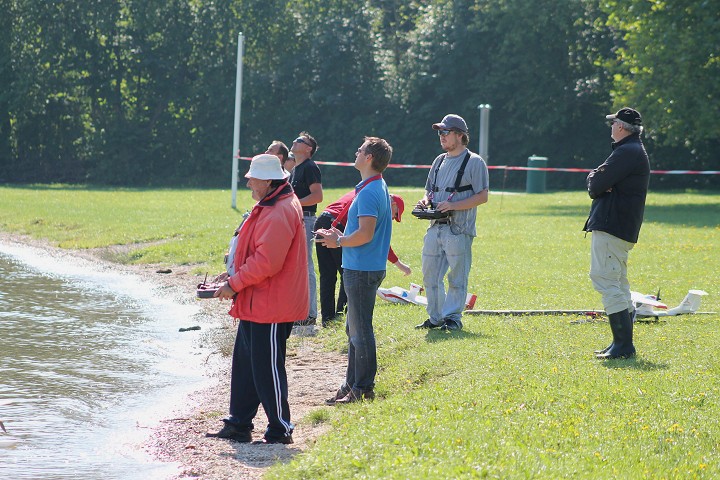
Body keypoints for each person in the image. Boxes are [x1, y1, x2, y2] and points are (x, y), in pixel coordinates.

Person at [207, 154, 308, 444]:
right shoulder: (269, 204)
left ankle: (280, 428)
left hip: (272, 304)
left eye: (252, 177)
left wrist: (234, 283)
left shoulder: (279, 210)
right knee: (246, 365)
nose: (247, 180)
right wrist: (229, 277)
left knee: (268, 369)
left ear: (267, 180)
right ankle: (239, 423)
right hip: (257, 300)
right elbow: (254, 253)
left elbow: (267, 262)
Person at [316, 137, 393, 404]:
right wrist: (340, 234)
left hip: (362, 269)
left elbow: (366, 234)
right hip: (362, 266)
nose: (356, 153)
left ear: (369, 158)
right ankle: (351, 384)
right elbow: (359, 232)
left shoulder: (371, 191)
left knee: (360, 331)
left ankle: (363, 388)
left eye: (360, 150)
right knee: (354, 330)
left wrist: (339, 241)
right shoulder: (372, 186)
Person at [584, 107, 650, 359]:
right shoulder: (631, 151)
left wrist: (597, 179)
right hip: (621, 226)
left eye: (613, 123)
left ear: (621, 127)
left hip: (613, 225)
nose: (611, 127)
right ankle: (620, 343)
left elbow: (595, 184)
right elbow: (599, 182)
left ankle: (623, 345)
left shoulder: (626, 152)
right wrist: (599, 180)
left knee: (605, 279)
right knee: (618, 282)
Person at [415, 114, 489, 332]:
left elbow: (483, 196)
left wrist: (453, 206)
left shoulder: (475, 162)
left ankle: (453, 318)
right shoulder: (438, 161)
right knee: (430, 276)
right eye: (440, 133)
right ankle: (435, 318)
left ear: (460, 135)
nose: (442, 137)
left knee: (457, 278)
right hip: (435, 228)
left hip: (459, 230)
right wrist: (425, 201)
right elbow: (430, 191)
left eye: (446, 132)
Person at [314, 192, 410, 327]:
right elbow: (380, 240)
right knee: (348, 272)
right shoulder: (378, 203)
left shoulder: (367, 191)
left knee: (327, 275)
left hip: (322, 220)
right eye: (395, 214)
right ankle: (342, 315)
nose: (393, 218)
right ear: (393, 205)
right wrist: (399, 264)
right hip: (338, 225)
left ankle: (328, 319)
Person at [289, 132, 323, 326]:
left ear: (308, 149)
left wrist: (293, 204)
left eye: (299, 141)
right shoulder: (296, 168)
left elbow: (317, 196)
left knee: (305, 265)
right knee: (298, 265)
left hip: (306, 219)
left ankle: (309, 314)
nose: (294, 141)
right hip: (298, 219)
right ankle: (300, 311)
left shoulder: (310, 167)